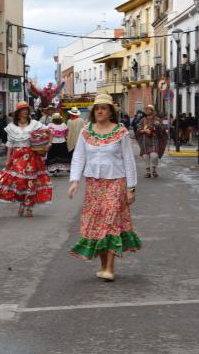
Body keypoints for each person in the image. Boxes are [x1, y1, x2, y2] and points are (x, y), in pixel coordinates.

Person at [67, 94, 140, 281]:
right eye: (97, 108)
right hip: (94, 184)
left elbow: (129, 160)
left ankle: (109, 268)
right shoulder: (86, 132)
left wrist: (131, 187)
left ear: (110, 112)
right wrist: (74, 180)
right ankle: (102, 266)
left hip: (116, 182)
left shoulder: (120, 132)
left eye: (104, 108)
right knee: (97, 226)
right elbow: (79, 157)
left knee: (109, 223)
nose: (99, 111)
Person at [0, 101, 52, 217]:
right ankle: (22, 203)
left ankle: (29, 207)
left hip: (32, 156)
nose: (25, 112)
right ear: (18, 113)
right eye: (22, 110)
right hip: (17, 157)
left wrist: (47, 144)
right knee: (19, 182)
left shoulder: (34, 124)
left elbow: (49, 132)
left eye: (26, 109)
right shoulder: (11, 127)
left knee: (31, 182)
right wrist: (7, 160)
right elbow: (10, 145)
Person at [136, 105, 166, 178]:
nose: (146, 111)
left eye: (148, 109)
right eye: (146, 109)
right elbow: (138, 129)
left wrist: (158, 126)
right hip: (144, 140)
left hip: (154, 140)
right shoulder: (143, 119)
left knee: (154, 156)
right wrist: (145, 130)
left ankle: (154, 170)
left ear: (152, 111)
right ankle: (148, 172)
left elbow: (162, 129)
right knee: (145, 156)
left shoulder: (157, 119)